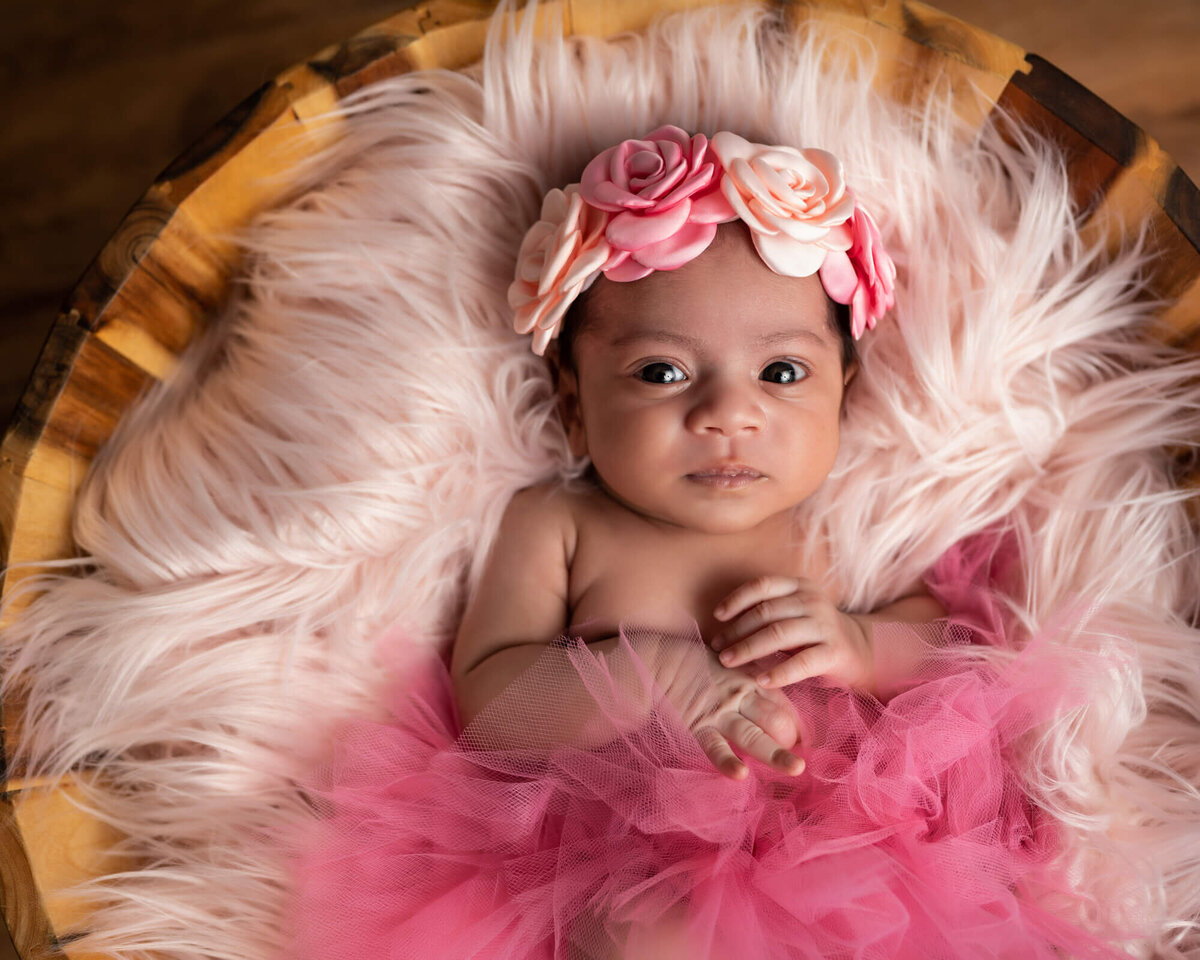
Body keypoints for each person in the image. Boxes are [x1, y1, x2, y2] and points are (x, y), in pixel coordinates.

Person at [284, 127, 1138, 960]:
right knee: (645, 939)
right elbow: (491, 705)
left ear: (844, 392)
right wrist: (658, 679)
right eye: (663, 372)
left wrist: (857, 645)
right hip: (625, 865)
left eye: (782, 373)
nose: (728, 413)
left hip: (855, 867)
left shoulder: (837, 531)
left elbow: (951, 659)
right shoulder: (560, 524)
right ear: (575, 402)